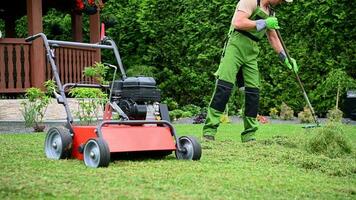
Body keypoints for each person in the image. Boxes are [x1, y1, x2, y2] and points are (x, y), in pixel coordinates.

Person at [202, 0, 298, 142]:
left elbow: (272, 36)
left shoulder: (270, 11)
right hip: (236, 45)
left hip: (252, 51)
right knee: (224, 87)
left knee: (253, 93)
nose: (281, 2)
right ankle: (209, 131)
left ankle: (249, 135)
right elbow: (238, 22)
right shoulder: (251, 1)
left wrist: (285, 57)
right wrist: (264, 23)